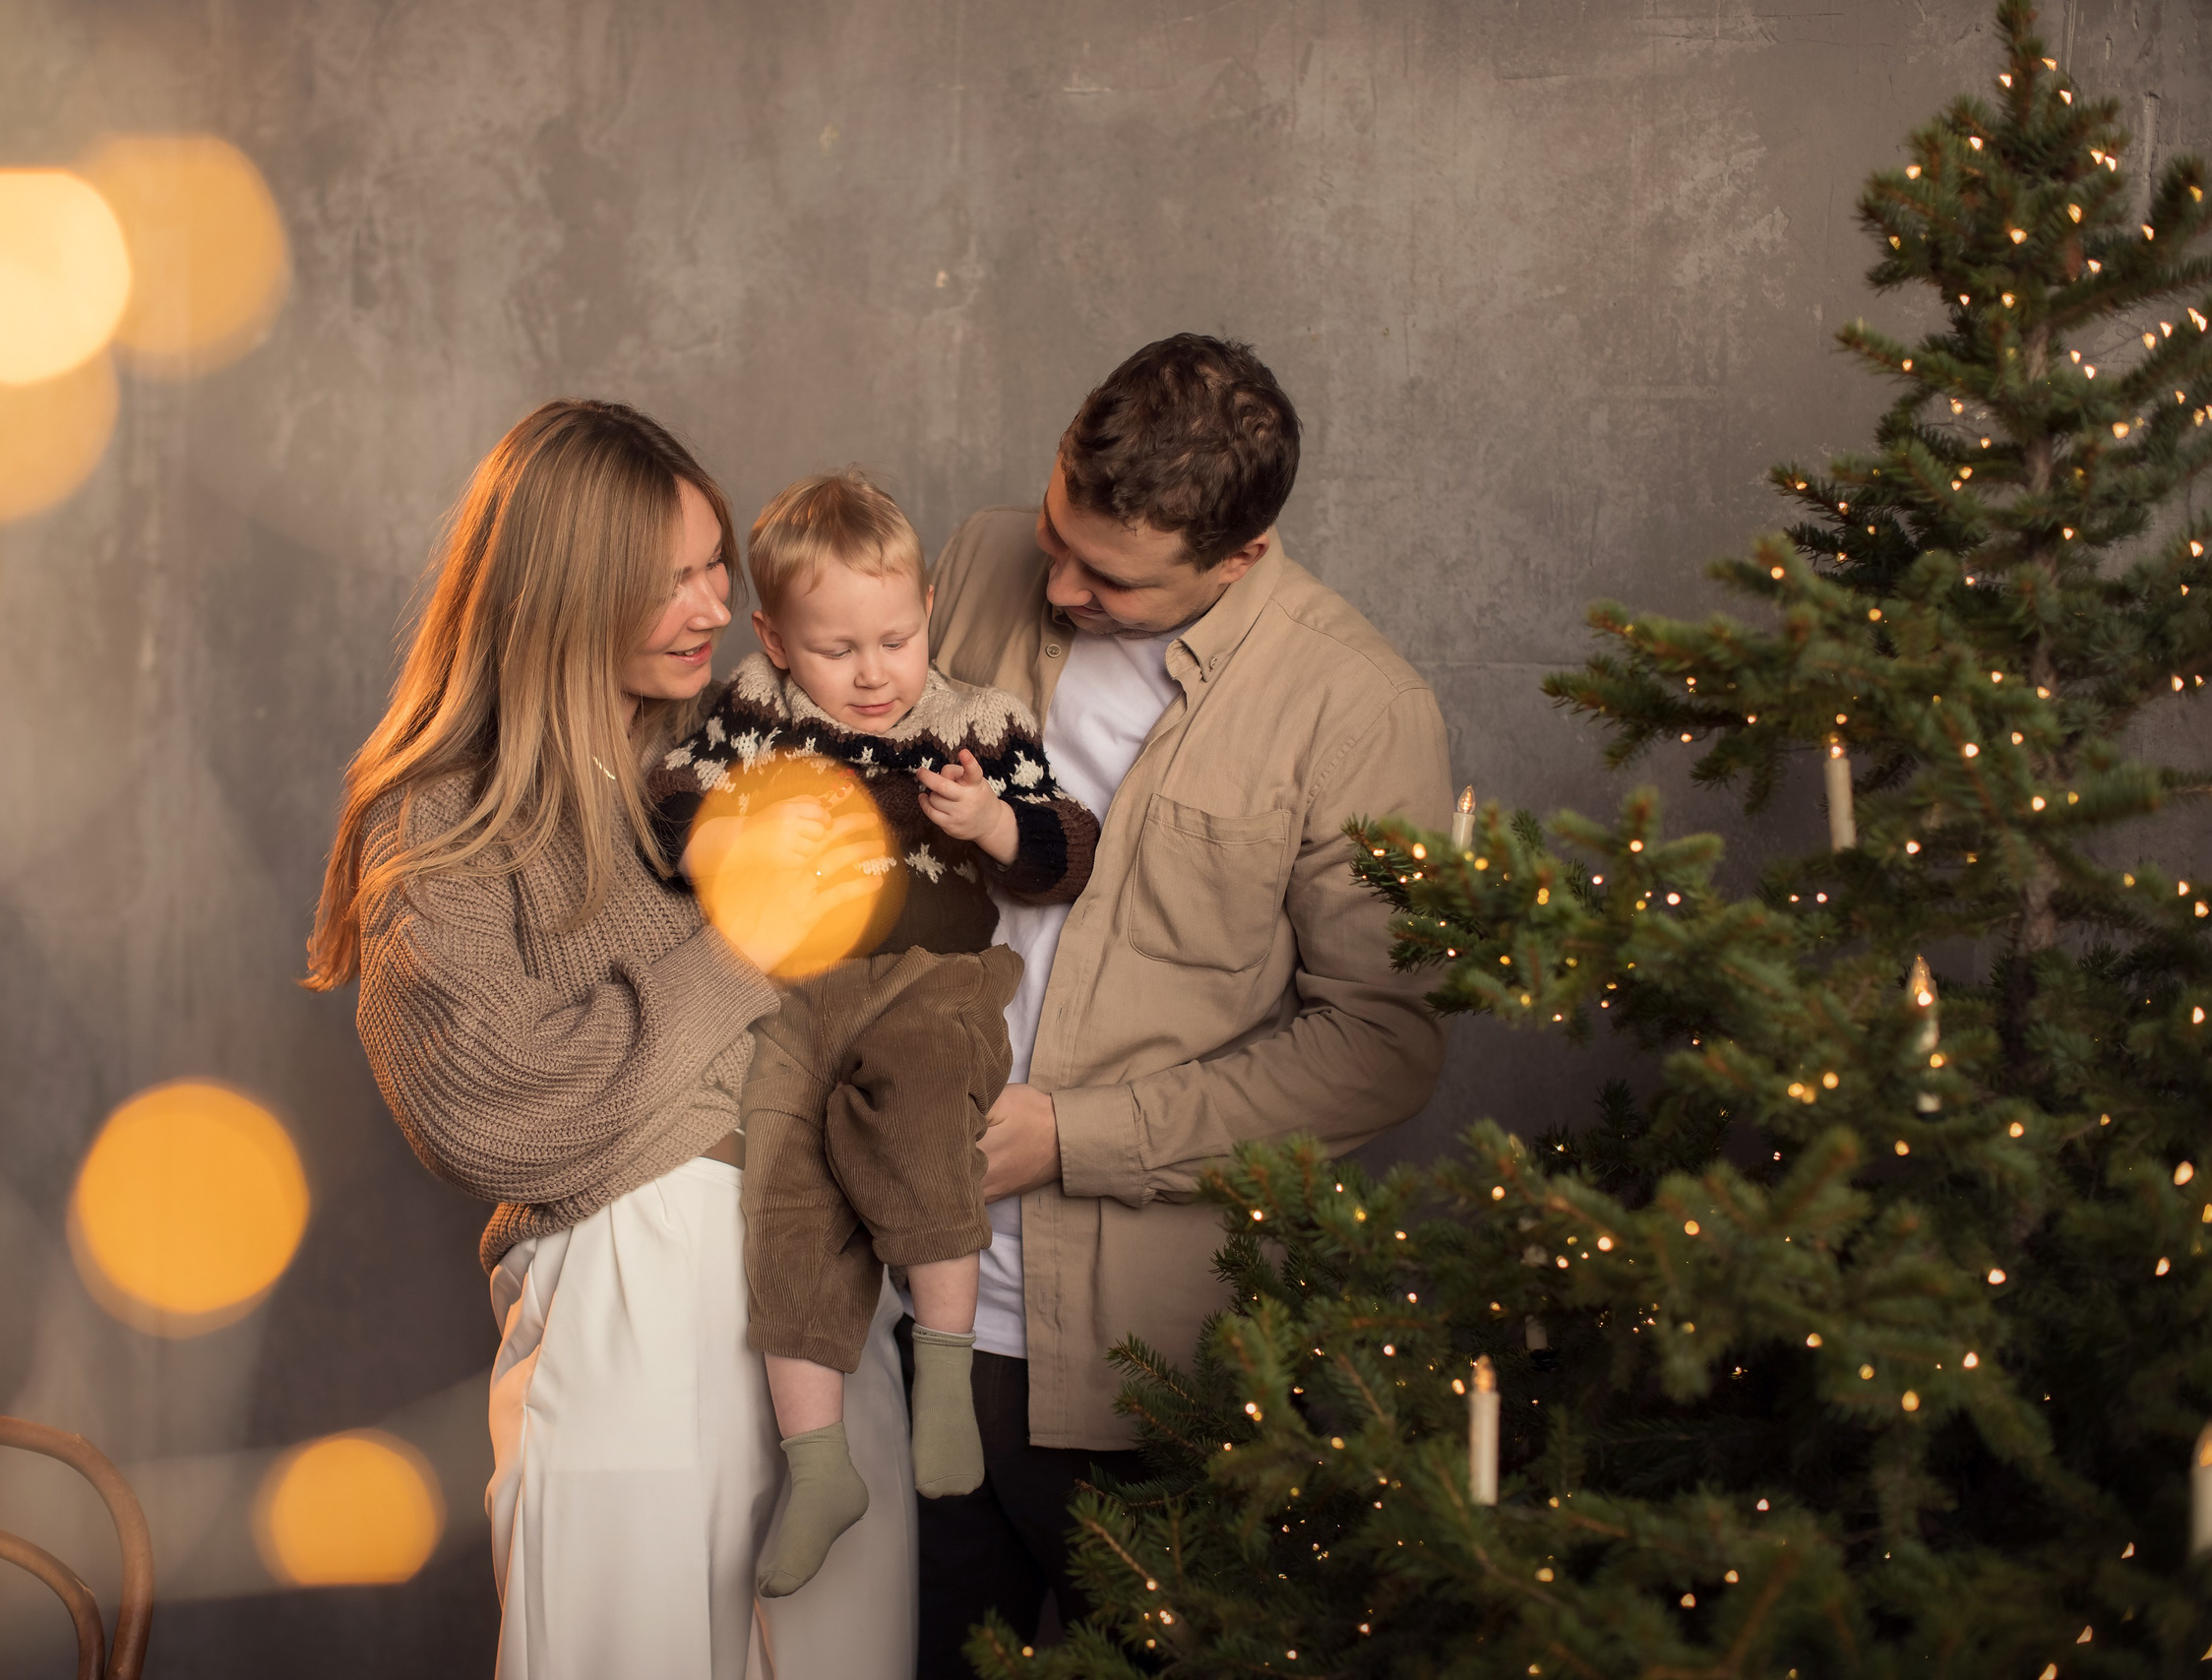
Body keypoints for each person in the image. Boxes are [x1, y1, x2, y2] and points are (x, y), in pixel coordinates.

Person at [306, 402, 916, 1679]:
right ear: (566, 591)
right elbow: (498, 1103)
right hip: (635, 1307)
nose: (711, 602)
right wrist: (747, 955)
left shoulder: (715, 766)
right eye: (668, 579)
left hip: (823, 1302)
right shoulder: (442, 818)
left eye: (713, 566)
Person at [915, 335, 1452, 1672]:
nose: (1056, 583)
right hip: (900, 1315)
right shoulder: (977, 559)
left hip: (1139, 1364)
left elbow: (1383, 1044)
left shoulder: (1359, 706)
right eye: (1055, 535)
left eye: (1108, 578)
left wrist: (1075, 1134)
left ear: (1241, 556)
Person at [646, 470, 1098, 1598]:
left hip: (934, 983)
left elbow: (1064, 851)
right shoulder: (751, 708)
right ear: (774, 637)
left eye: (894, 639)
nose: (870, 673)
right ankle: (818, 1465)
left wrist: (993, 822)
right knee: (785, 1193)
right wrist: (743, 829)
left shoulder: (978, 721)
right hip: (795, 998)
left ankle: (943, 1379)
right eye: (835, 647)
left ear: (929, 611)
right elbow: (665, 821)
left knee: (919, 1104)